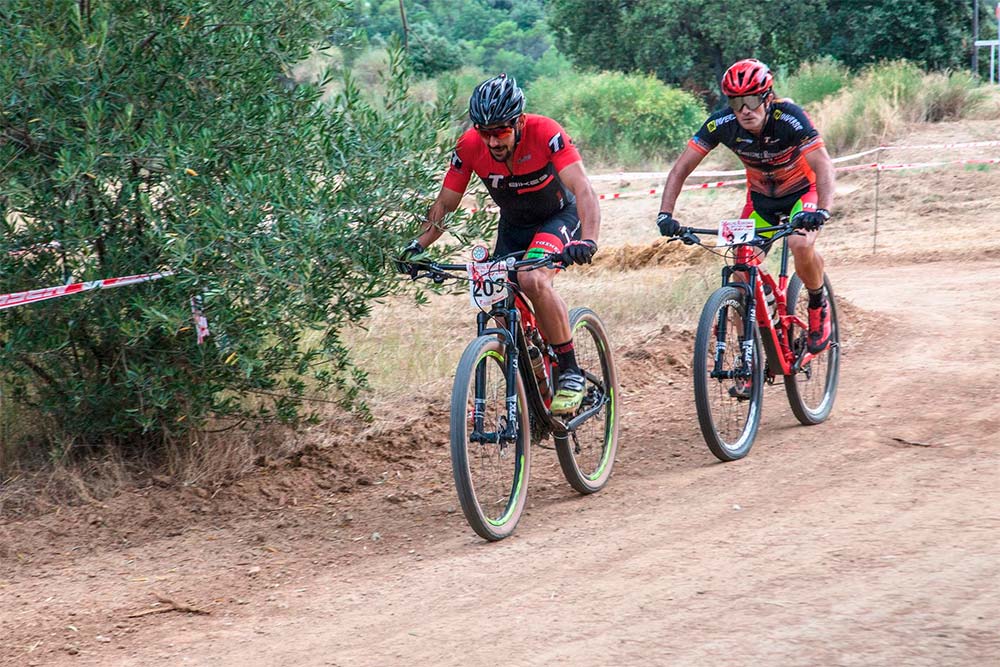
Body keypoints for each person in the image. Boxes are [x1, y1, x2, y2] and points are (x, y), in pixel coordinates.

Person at [396, 73, 602, 415]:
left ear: (519, 121)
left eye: (501, 131)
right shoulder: (468, 147)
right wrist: (417, 245)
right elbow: (445, 204)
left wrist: (589, 239)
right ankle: (537, 385)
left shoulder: (545, 132)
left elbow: (583, 190)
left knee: (532, 279)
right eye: (485, 132)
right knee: (497, 300)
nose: (492, 141)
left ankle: (570, 372)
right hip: (514, 226)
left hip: (559, 217)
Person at [655, 58, 835, 354]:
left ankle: (818, 303)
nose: (744, 110)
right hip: (761, 203)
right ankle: (745, 359)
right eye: (736, 102)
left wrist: (822, 210)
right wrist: (666, 214)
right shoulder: (722, 123)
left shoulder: (790, 117)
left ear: (767, 97)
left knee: (800, 245)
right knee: (740, 269)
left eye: (751, 100)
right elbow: (680, 169)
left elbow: (823, 165)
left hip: (803, 194)